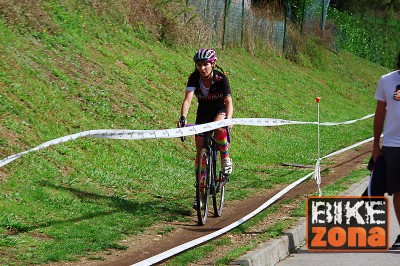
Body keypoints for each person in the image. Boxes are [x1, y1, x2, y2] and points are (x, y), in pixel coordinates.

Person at [178, 48, 233, 208]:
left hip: (219, 110)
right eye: (199, 65)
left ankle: (225, 159)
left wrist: (228, 119)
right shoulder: (194, 78)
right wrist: (183, 118)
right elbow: (187, 100)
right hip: (203, 113)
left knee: (219, 129)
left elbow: (229, 102)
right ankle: (200, 192)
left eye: (205, 64)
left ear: (213, 64)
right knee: (200, 151)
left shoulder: (221, 78)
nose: (202, 68)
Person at [372, 50, 400, 250]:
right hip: (393, 145)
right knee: (398, 192)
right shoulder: (386, 80)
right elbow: (379, 114)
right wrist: (375, 146)